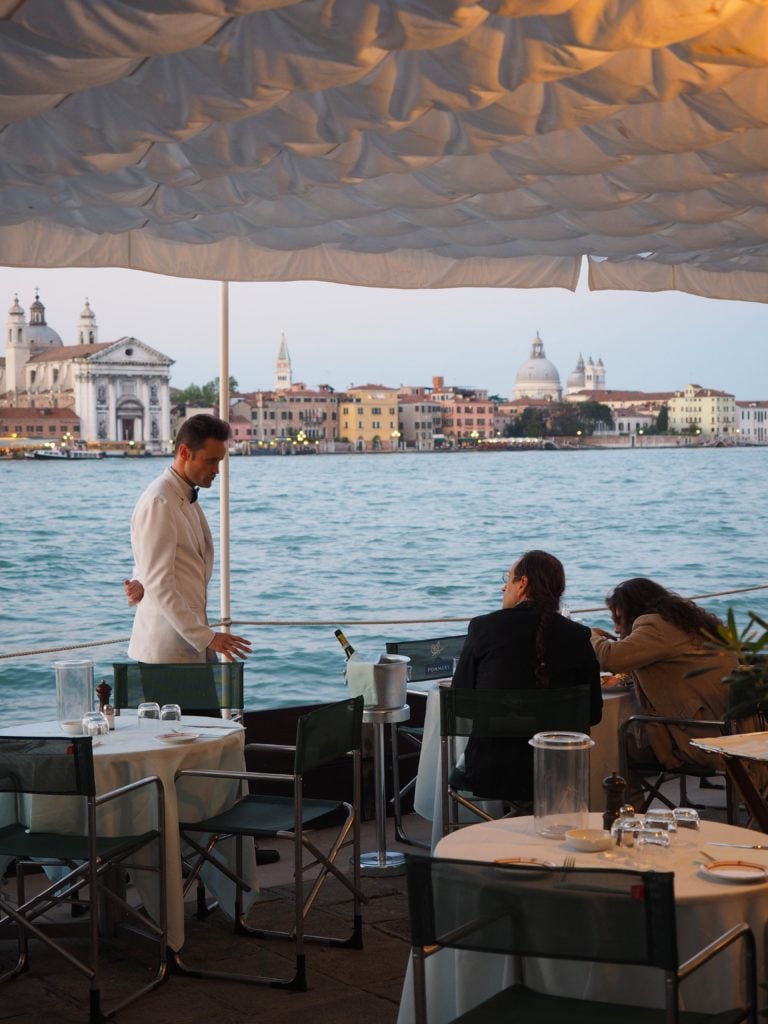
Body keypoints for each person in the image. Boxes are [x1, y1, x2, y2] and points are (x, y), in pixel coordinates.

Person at [452, 550, 602, 801]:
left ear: (522, 584)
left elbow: (461, 703)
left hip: (490, 768)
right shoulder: (577, 635)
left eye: (507, 579)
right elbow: (593, 712)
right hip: (559, 769)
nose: (503, 588)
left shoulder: (483, 627)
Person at [125, 413, 251, 665]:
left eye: (219, 462)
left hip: (190, 647)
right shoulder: (159, 501)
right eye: (210, 461)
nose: (216, 470)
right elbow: (160, 582)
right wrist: (207, 638)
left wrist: (140, 578)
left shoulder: (181, 496)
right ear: (184, 452)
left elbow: (153, 563)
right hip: (166, 653)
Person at [590, 577, 737, 777]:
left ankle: (629, 805)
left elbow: (611, 659)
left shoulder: (656, 627)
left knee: (611, 745)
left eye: (618, 619)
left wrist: (589, 634)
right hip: (728, 728)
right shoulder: (685, 623)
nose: (616, 628)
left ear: (633, 612)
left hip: (702, 736)